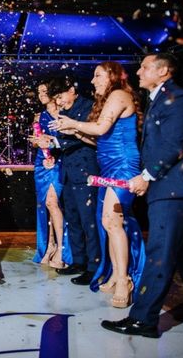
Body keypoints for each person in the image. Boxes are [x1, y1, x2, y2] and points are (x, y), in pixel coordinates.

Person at [102, 53, 183, 337]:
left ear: (163, 71)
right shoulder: (158, 97)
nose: (138, 71)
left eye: (144, 67)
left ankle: (143, 319)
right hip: (170, 187)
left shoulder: (178, 98)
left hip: (173, 189)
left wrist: (146, 176)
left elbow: (174, 144)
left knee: (160, 254)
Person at [52, 62, 145, 308]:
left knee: (113, 223)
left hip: (123, 165)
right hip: (108, 166)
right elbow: (97, 139)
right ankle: (116, 273)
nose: (93, 81)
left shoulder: (117, 95)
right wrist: (74, 131)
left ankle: (124, 281)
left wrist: (72, 123)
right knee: (108, 222)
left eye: (97, 76)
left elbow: (101, 127)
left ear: (112, 76)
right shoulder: (108, 99)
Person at [45, 76, 100, 286]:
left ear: (71, 90)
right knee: (73, 219)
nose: (58, 102)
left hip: (86, 169)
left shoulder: (88, 106)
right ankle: (79, 261)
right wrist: (52, 142)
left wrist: (57, 140)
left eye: (60, 96)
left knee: (89, 221)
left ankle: (94, 267)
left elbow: (90, 136)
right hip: (68, 171)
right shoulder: (65, 111)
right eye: (56, 99)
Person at [29, 81, 71, 269]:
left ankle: (62, 249)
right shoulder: (39, 116)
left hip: (59, 161)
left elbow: (68, 140)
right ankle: (50, 245)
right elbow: (36, 143)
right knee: (46, 205)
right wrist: (39, 141)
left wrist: (51, 144)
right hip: (42, 163)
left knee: (53, 203)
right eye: (38, 92)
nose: (40, 94)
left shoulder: (65, 115)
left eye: (44, 91)